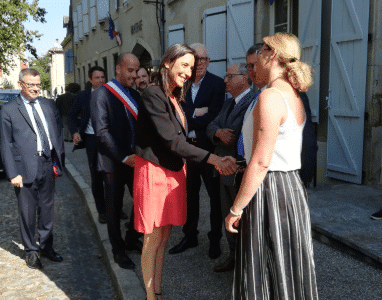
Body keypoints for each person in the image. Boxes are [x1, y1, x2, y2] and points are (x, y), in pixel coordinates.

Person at [134, 43, 236, 300]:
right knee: (153, 237)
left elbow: (181, 134)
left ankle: (157, 289)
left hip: (173, 170)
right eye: (184, 65)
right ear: (168, 62)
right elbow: (174, 141)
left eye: (191, 66)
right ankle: (149, 296)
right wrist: (214, 159)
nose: (189, 72)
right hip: (156, 172)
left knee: (165, 234)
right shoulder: (153, 94)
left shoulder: (173, 95)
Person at [225, 33, 318, 299]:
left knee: (264, 268)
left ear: (272, 54)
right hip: (289, 187)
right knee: (287, 268)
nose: (258, 58)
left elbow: (263, 160)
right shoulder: (293, 95)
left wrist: (235, 208)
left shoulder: (271, 96)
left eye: (263, 50)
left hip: (270, 189)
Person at [0, 68, 65, 269]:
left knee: (47, 209)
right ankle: (31, 250)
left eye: (38, 84)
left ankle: (46, 246)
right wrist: (12, 173)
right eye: (31, 85)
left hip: (46, 163)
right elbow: (5, 144)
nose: (36, 88)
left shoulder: (48, 105)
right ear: (20, 84)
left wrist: (58, 158)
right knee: (27, 211)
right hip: (24, 168)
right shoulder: (9, 110)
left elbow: (58, 132)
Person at [169, 43, 226, 259]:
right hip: (187, 150)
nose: (200, 63)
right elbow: (176, 113)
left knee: (214, 198)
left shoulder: (217, 84)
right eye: (196, 59)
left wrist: (189, 117)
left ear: (208, 61)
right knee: (189, 196)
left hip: (209, 151)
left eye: (204, 59)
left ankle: (215, 240)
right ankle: (189, 235)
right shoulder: (181, 84)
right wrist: (195, 113)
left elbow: (214, 116)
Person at [90, 53, 143, 269]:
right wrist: (123, 156)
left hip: (135, 160)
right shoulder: (101, 94)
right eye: (130, 71)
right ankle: (117, 249)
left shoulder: (135, 95)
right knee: (114, 207)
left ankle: (131, 239)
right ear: (118, 69)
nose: (134, 75)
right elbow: (101, 131)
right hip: (113, 162)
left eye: (136, 71)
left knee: (141, 200)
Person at [206, 63, 255, 272]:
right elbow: (211, 124)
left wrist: (221, 133)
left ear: (244, 78)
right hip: (222, 168)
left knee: (240, 217)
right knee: (227, 214)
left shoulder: (253, 101)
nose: (225, 81)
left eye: (229, 76)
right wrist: (217, 133)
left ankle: (245, 263)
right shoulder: (228, 103)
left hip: (237, 169)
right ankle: (234, 256)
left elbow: (235, 134)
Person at [67, 66, 118, 225]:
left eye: (103, 77)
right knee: (97, 176)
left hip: (109, 139)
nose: (101, 80)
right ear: (90, 80)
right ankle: (102, 211)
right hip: (91, 140)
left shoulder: (112, 94)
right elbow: (71, 115)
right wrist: (75, 132)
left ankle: (115, 209)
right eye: (97, 77)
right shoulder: (83, 96)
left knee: (112, 176)